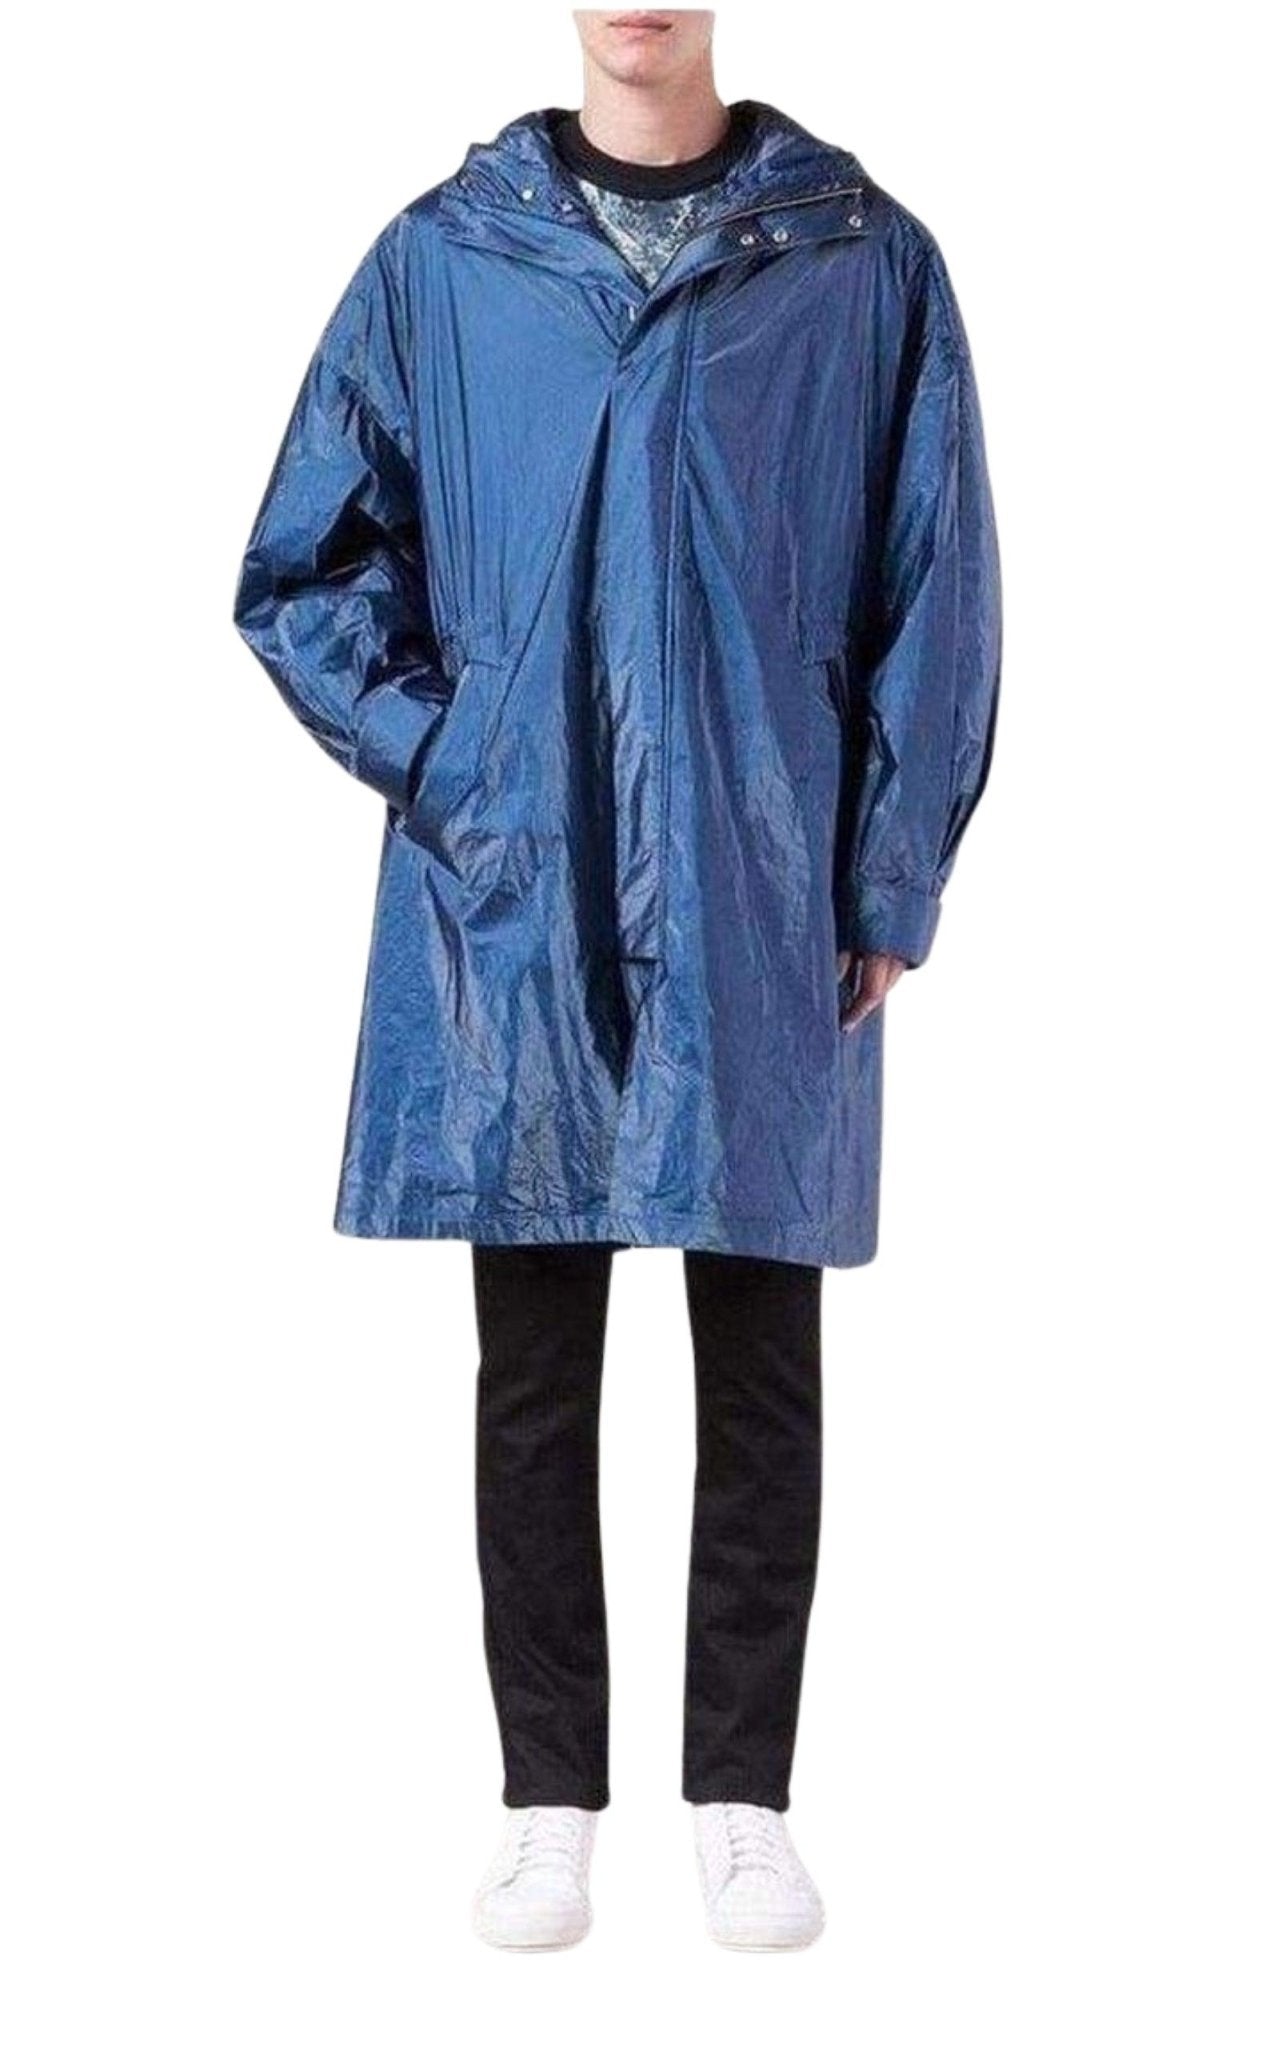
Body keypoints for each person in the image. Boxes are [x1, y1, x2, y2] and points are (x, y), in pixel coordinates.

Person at [232, 8, 1002, 1953]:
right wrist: (456, 758)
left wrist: (883, 866)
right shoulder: (446, 259)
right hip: (523, 877)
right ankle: (547, 1800)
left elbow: (939, 581)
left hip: (761, 876)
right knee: (532, 1367)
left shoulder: (857, 259)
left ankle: (742, 1796)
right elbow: (305, 566)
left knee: (762, 1356)